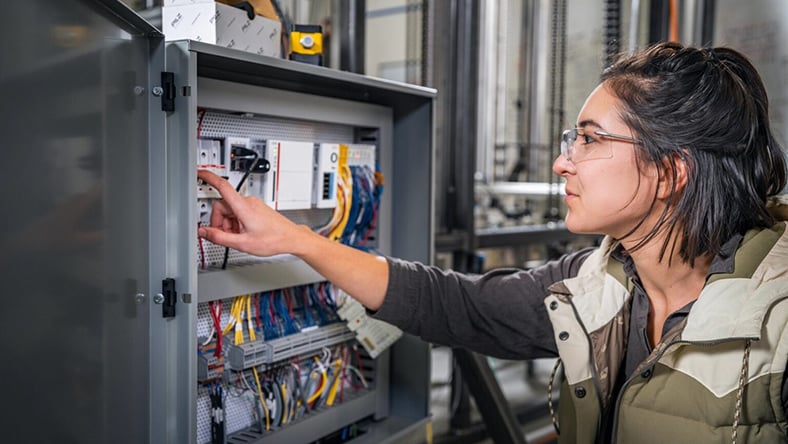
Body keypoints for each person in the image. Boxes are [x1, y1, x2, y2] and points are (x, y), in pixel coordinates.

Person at [197, 41, 788, 443]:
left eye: (589, 140)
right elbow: (453, 305)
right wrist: (294, 238)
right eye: (570, 139)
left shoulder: (779, 322)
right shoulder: (596, 286)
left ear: (669, 172)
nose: (562, 162)